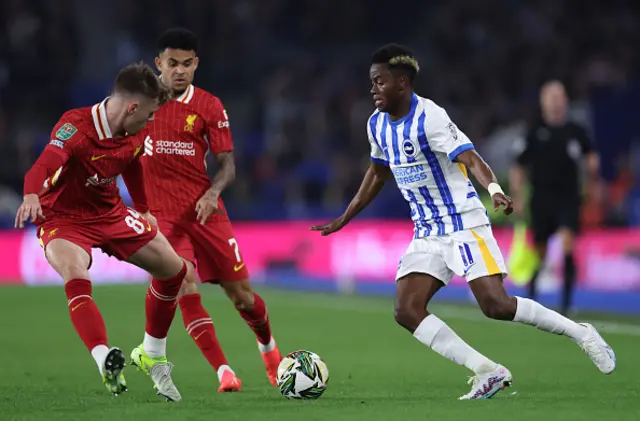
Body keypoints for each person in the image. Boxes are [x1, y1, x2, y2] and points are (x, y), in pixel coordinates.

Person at [311, 44, 615, 400]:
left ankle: (582, 333)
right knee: (406, 310)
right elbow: (377, 173)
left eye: (380, 81)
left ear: (402, 83)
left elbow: (470, 157)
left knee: (496, 306)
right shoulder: (376, 125)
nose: (373, 89)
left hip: (462, 223)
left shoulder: (431, 117)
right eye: (371, 82)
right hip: (426, 231)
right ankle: (488, 371)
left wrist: (495, 188)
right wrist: (346, 216)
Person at [15, 63, 183, 402]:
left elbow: (133, 161)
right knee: (76, 272)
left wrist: (145, 208)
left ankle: (151, 352)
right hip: (63, 217)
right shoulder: (76, 127)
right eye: (149, 116)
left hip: (110, 213)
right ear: (132, 107)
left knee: (174, 269)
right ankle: (103, 357)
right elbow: (44, 165)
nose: (150, 123)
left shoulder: (136, 130)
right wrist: (31, 194)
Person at [137, 27, 282, 392]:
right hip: (162, 216)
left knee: (244, 298)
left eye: (187, 63)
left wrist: (212, 192)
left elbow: (228, 165)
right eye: (172, 63)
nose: (180, 70)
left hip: (205, 212)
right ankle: (223, 372)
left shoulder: (209, 105)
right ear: (159, 63)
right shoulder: (140, 101)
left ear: (196, 63)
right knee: (182, 279)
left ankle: (269, 351)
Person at [510, 80, 600, 315]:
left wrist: (591, 183)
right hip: (541, 198)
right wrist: (517, 196)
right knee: (540, 250)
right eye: (550, 96)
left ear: (565, 101)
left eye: (558, 96)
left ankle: (567, 303)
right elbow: (518, 166)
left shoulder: (576, 131)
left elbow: (591, 158)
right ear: (542, 102)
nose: (555, 101)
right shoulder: (533, 132)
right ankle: (532, 293)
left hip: (568, 197)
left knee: (568, 243)